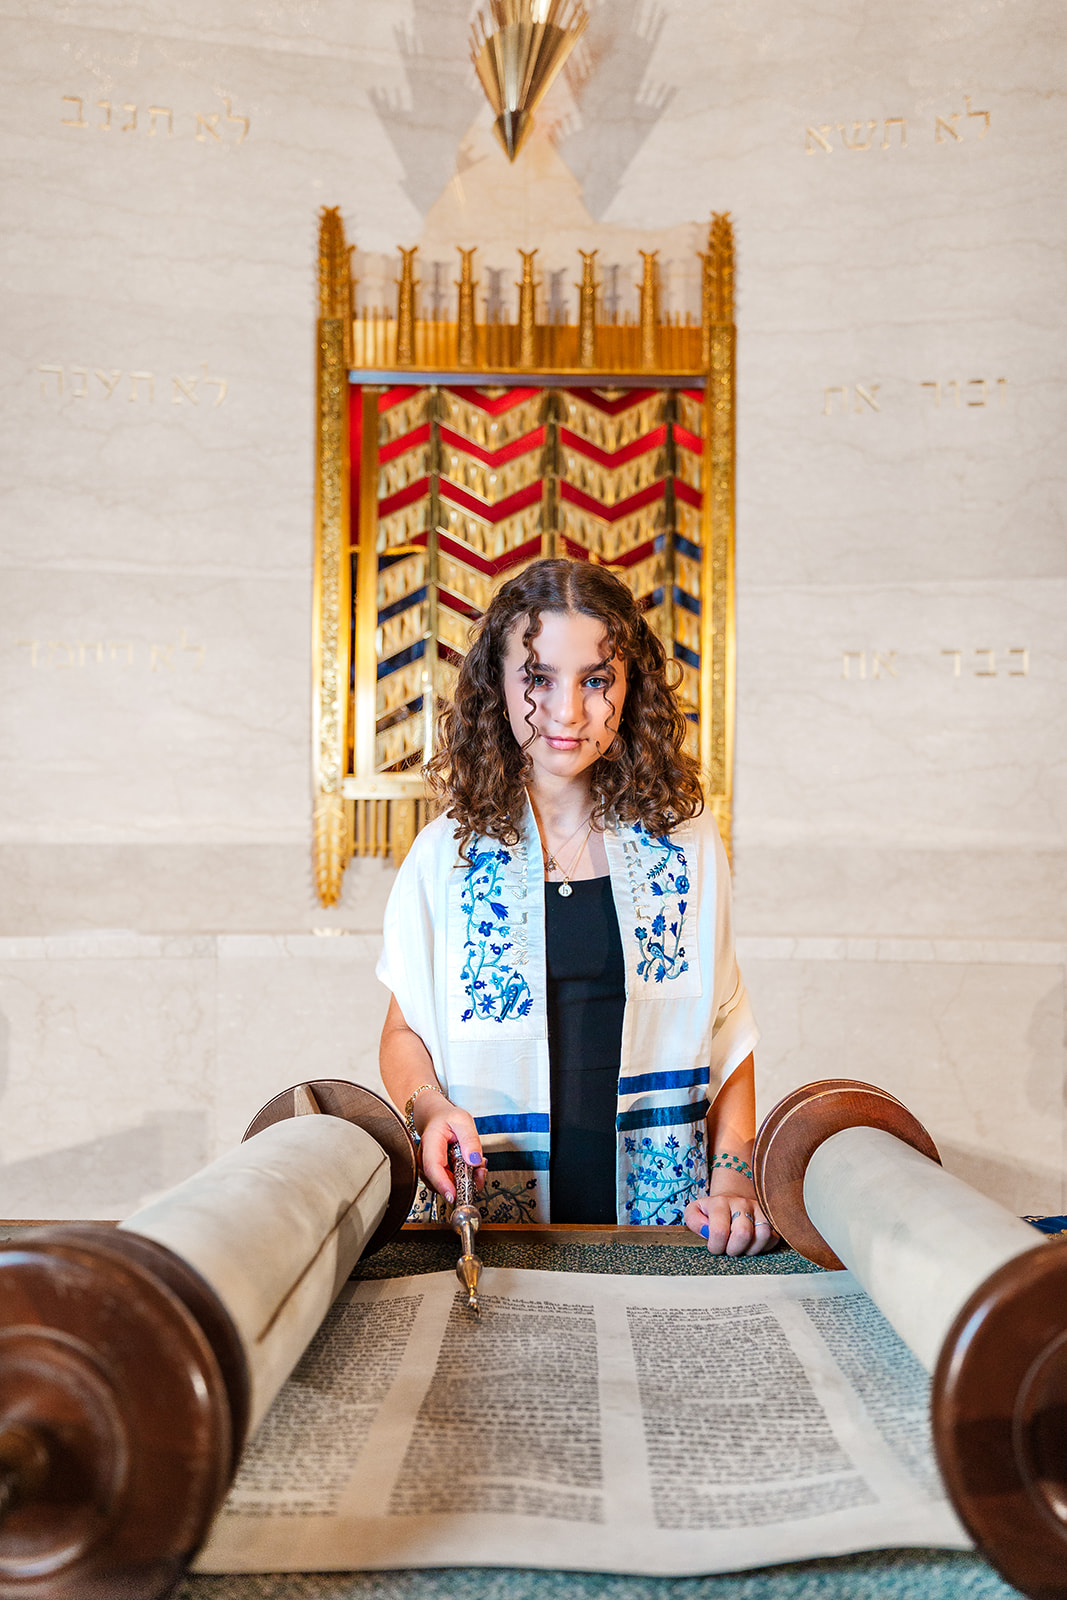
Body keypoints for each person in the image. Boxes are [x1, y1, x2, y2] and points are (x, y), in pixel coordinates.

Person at [377, 557, 775, 1256]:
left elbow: (726, 1027)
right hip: (495, 1211)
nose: (568, 712)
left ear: (630, 689)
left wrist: (735, 1174)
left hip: (660, 1213)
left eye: (596, 680)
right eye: (538, 678)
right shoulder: (447, 855)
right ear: (495, 686)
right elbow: (402, 1032)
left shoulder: (683, 843)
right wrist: (430, 1106)